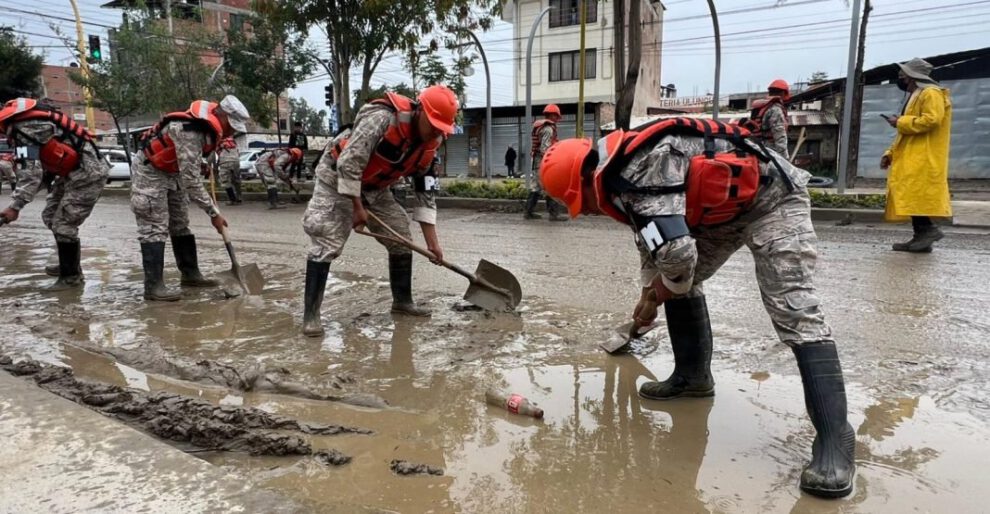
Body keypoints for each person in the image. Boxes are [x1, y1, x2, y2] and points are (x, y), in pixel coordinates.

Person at [539, 117, 855, 499]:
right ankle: (692, 378)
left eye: (580, 204)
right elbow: (651, 242)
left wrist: (661, 291)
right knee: (678, 284)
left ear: (587, 180)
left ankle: (836, 444)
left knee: (793, 307)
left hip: (774, 202)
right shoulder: (619, 177)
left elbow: (676, 257)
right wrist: (649, 294)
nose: (586, 213)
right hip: (721, 211)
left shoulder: (639, 173)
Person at [301, 85, 457, 337]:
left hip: (375, 187)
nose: (436, 132)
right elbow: (348, 163)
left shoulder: (432, 143)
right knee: (326, 239)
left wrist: (433, 244)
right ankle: (311, 316)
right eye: (433, 124)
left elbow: (425, 193)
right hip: (336, 179)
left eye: (441, 129)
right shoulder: (382, 119)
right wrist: (357, 208)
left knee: (400, 237)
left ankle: (402, 301)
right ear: (420, 112)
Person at [131, 95, 251, 301]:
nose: (232, 132)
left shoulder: (206, 128)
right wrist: (213, 213)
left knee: (180, 223)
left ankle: (190, 274)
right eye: (231, 126)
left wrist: (201, 165)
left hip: (172, 172)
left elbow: (189, 165)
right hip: (150, 173)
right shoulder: (189, 131)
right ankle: (153, 287)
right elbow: (191, 182)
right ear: (221, 115)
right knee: (154, 227)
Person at [0, 98, 109, 290]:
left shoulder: (24, 128)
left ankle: (71, 278)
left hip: (87, 173)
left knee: (63, 223)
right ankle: (70, 266)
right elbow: (41, 169)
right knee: (50, 215)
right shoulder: (24, 124)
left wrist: (15, 207)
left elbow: (30, 173)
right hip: (71, 173)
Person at [880, 57, 952, 253]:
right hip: (913, 153)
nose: (900, 79)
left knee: (915, 194)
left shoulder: (931, 93)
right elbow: (905, 131)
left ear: (912, 77)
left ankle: (927, 230)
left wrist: (900, 121)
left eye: (902, 75)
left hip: (923, 155)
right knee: (912, 195)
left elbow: (932, 120)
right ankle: (921, 237)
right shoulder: (918, 94)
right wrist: (890, 153)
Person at [525, 104, 566, 221]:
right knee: (551, 187)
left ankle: (528, 212)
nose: (557, 119)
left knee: (536, 187)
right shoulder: (548, 129)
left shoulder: (541, 127)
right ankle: (554, 215)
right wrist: (552, 161)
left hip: (537, 161)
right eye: (557, 116)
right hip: (543, 162)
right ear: (552, 115)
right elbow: (545, 148)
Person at [745, 79, 790, 157]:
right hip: (770, 154)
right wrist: (785, 161)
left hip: (757, 151)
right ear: (783, 93)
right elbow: (780, 137)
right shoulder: (775, 110)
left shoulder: (759, 108)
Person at [215, 137, 242, 205]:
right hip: (236, 161)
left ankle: (232, 199)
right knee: (236, 180)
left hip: (225, 162)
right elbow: (238, 153)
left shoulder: (219, 141)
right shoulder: (233, 141)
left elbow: (215, 152)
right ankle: (239, 198)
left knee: (225, 181)